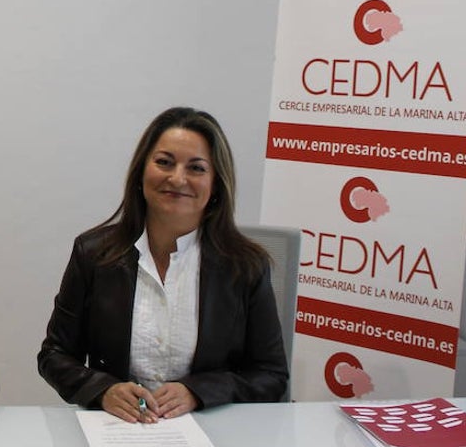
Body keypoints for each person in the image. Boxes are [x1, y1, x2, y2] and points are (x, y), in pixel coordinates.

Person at [37, 107, 287, 422]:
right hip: (117, 430)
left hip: (212, 436)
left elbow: (272, 376)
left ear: (216, 185)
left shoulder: (246, 266)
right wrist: (102, 389)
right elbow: (54, 355)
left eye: (196, 168)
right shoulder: (93, 254)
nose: (177, 178)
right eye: (164, 162)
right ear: (142, 172)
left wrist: (199, 391)